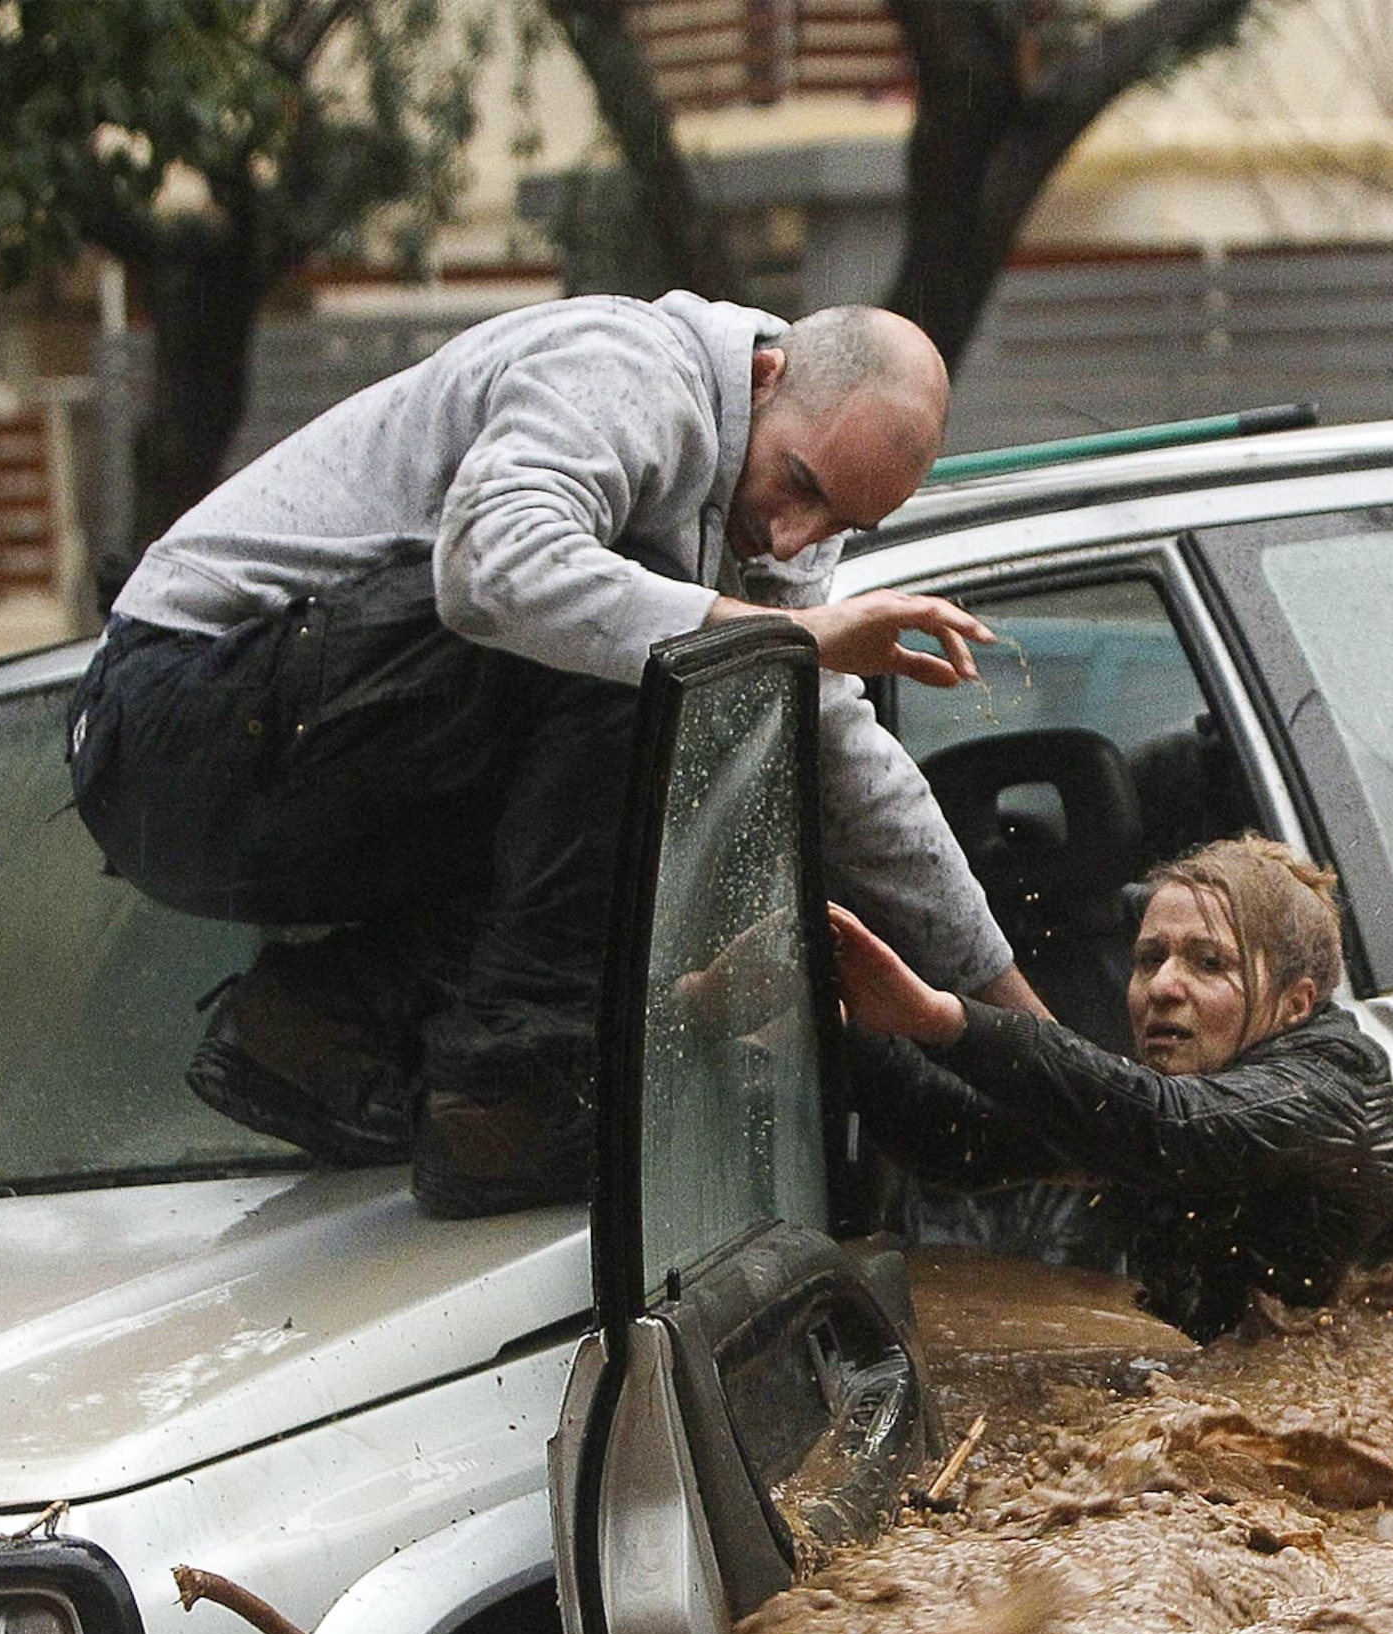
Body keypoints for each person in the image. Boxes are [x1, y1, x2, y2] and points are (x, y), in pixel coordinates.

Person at [69, 297, 1038, 1217]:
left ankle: (322, 1024)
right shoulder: (628, 366)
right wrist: (788, 638)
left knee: (708, 743)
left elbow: (840, 763)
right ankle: (504, 1101)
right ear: (766, 376)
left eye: (839, 527)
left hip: (304, 764)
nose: (795, 538)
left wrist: (1021, 1031)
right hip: (173, 725)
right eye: (803, 486)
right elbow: (493, 564)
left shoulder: (778, 521)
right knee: (661, 648)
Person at [831, 835, 1393, 1341]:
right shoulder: (1168, 1100)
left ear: (1296, 1004)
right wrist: (845, 1019)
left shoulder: (1325, 1088)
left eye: (1209, 963)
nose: (1163, 987)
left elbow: (1173, 1129)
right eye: (1150, 959)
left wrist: (945, 1018)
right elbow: (959, 1142)